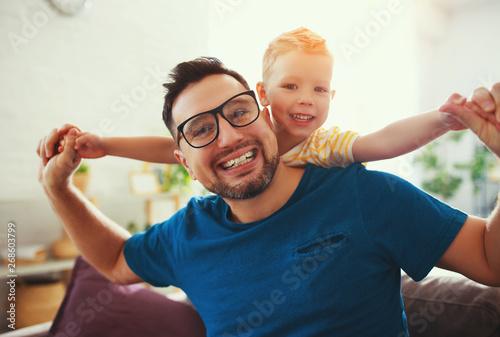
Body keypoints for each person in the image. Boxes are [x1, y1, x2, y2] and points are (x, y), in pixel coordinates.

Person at [37, 57, 500, 337]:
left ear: (266, 116)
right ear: (183, 162)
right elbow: (117, 262)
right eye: (201, 130)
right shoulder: (187, 234)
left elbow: (489, 259)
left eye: (239, 113)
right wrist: (57, 188)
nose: (229, 137)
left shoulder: (361, 193)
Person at [58, 28, 464, 168]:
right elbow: (172, 148)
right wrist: (106, 145)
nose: (307, 99)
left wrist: (445, 119)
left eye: (319, 89)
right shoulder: (245, 132)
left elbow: (384, 141)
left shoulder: (324, 144)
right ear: (263, 94)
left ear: (332, 95)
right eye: (291, 86)